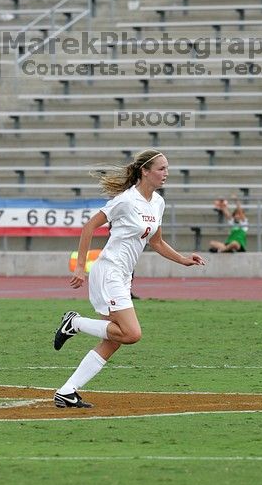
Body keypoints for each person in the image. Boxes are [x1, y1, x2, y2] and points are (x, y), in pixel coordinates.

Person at [52, 149, 206, 409]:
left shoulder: (158, 202)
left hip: (123, 276)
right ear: (145, 171)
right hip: (109, 271)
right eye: (161, 168)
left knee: (114, 341)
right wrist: (80, 266)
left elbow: (155, 241)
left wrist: (182, 259)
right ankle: (74, 323)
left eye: (167, 168)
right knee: (132, 334)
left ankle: (67, 391)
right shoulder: (125, 200)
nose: (166, 173)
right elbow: (89, 226)